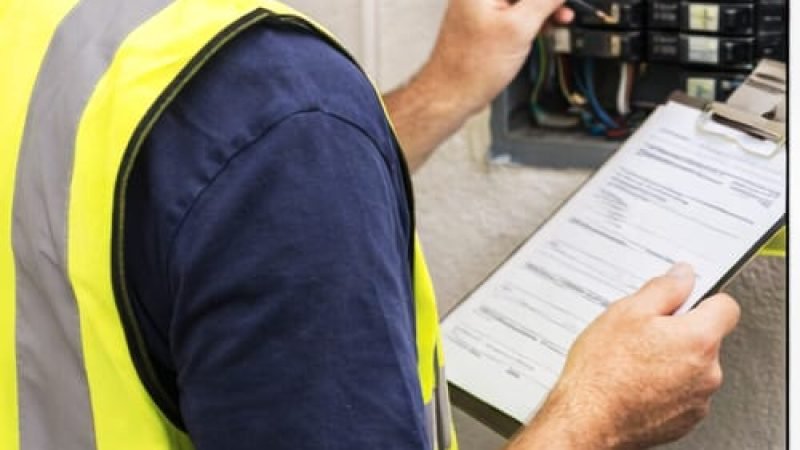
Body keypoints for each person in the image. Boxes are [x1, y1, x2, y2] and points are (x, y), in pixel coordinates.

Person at [0, 1, 740, 450]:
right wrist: (594, 420)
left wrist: (445, 89)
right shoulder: (270, 106)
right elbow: (259, 159)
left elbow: (184, 200)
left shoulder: (49, 33)